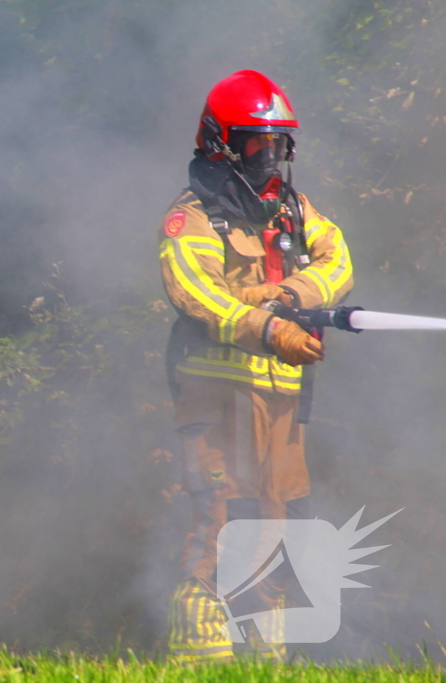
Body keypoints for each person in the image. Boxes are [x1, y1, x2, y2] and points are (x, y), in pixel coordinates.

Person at [158, 70, 352, 664]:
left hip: (283, 402)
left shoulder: (293, 211)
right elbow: (196, 293)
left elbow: (337, 259)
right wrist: (268, 327)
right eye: (255, 144)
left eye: (279, 145)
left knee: (278, 522)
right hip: (216, 399)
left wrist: (290, 296)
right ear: (221, 144)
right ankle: (199, 651)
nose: (270, 158)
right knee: (224, 516)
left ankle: (265, 652)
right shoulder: (193, 218)